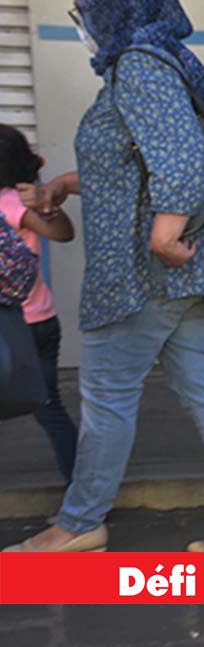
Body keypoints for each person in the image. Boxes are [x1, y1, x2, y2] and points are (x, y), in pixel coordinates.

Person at [4, 0, 204, 554]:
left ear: (113, 6)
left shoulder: (139, 65)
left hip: (148, 274)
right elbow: (138, 161)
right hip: (194, 267)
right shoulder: (163, 59)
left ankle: (80, 524)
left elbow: (180, 162)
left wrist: (163, 238)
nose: (81, 18)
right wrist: (67, 184)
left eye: (85, 6)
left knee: (107, 395)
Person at [0, 127, 78, 485]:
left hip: (13, 327)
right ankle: (81, 489)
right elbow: (63, 233)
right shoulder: (20, 202)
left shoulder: (9, 204)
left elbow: (63, 234)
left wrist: (42, 205)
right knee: (49, 407)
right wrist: (45, 206)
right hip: (41, 319)